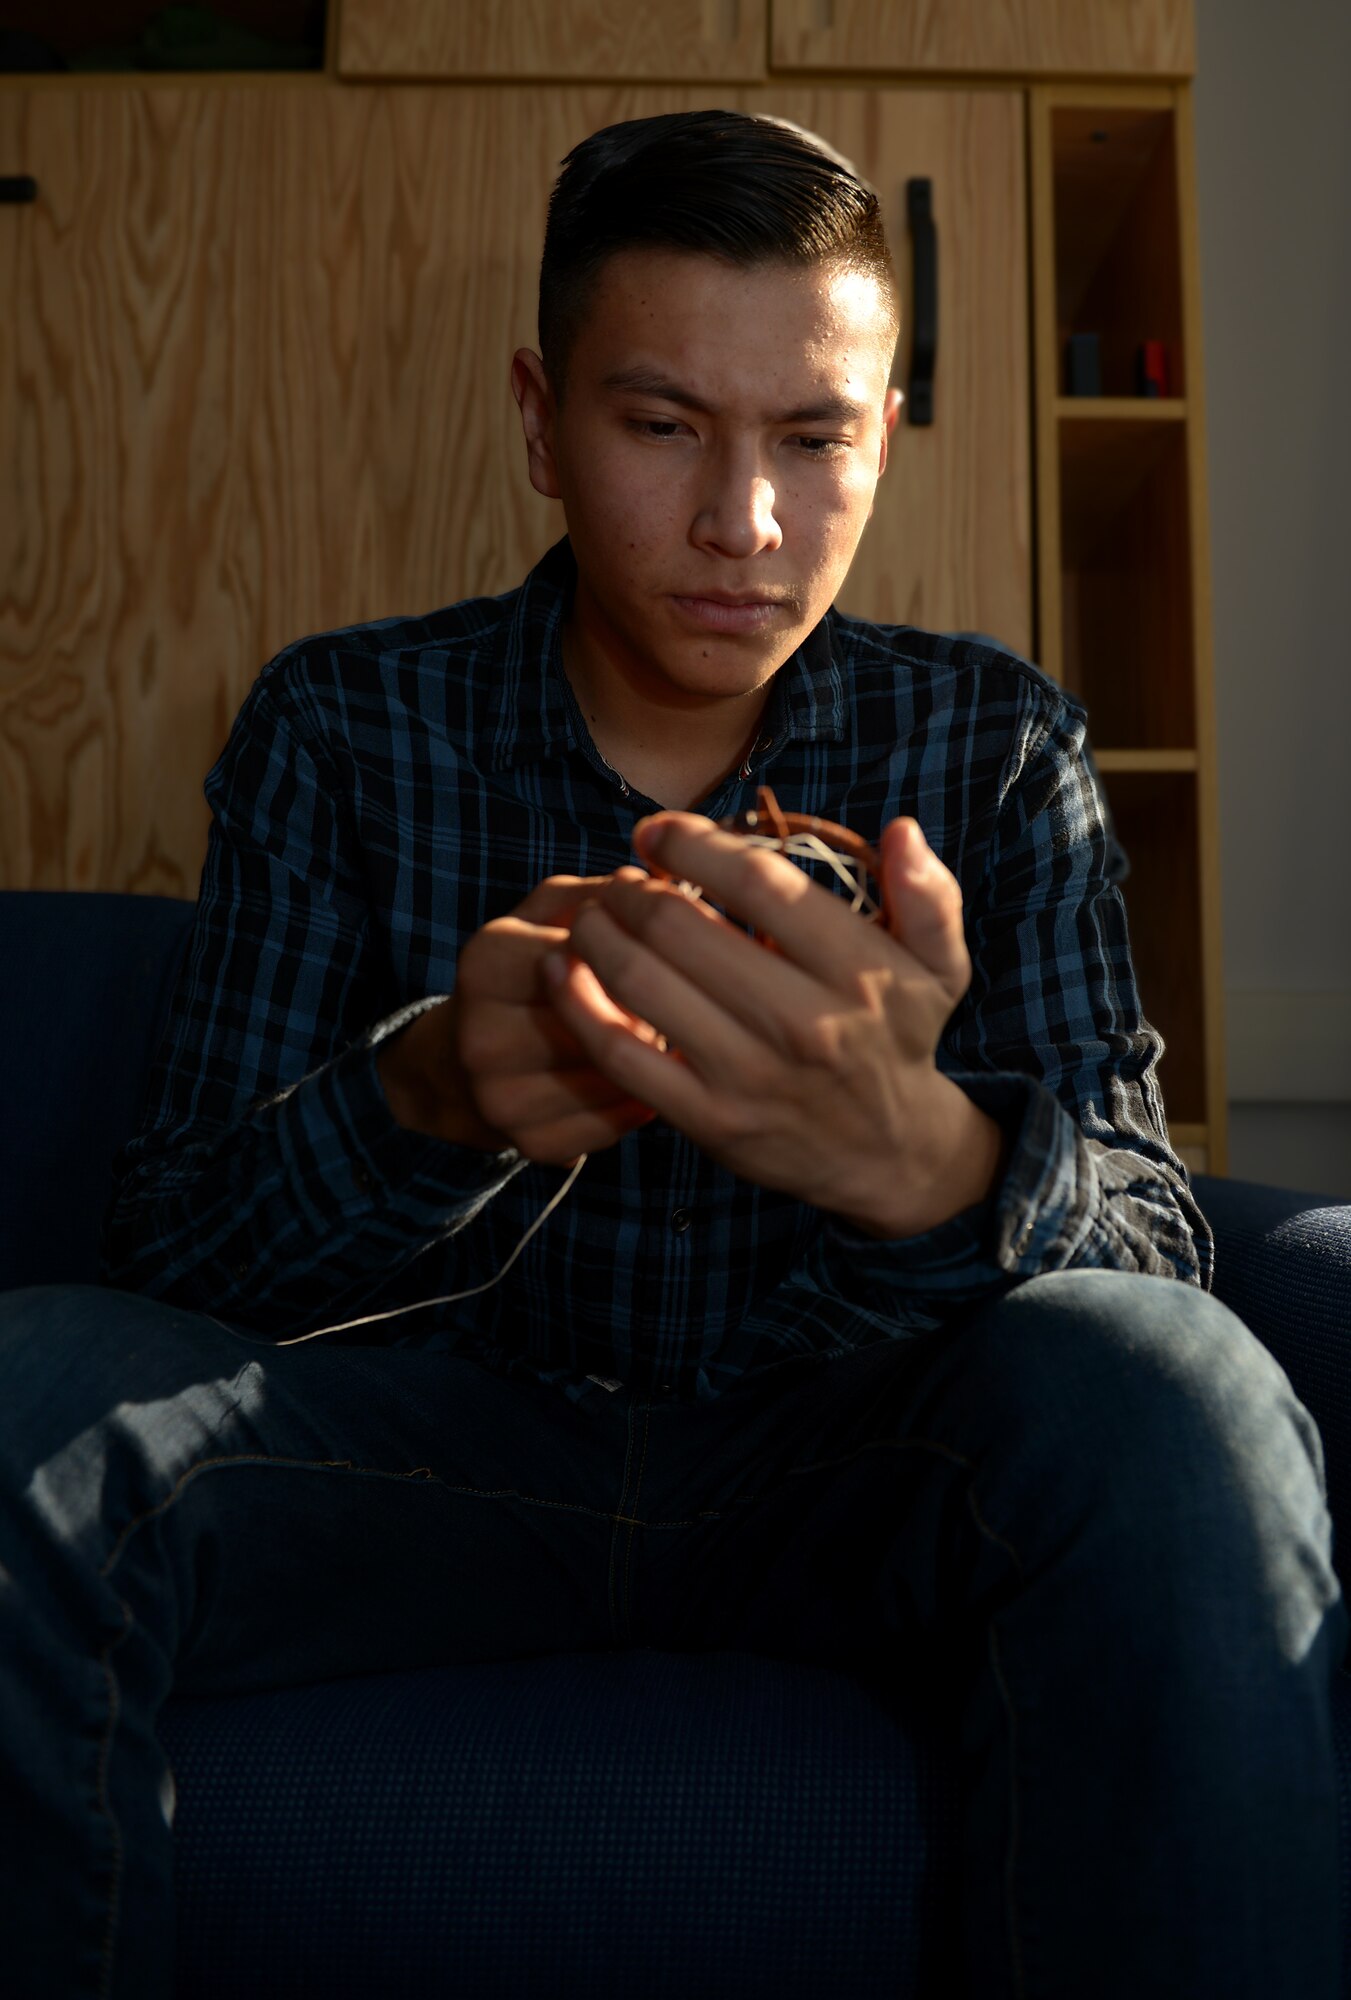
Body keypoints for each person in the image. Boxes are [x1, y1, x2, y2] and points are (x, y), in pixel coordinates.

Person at [0, 109, 1343, 2000]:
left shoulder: (992, 747)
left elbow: (1156, 1243)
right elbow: (176, 1251)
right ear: (544, 424)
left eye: (816, 437)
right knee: (29, 1380)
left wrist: (930, 1164)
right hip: (431, 1456)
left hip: (854, 1468)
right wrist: (431, 1097)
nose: (746, 522)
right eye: (662, 428)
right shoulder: (344, 723)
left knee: (1170, 1392)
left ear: (891, 429)